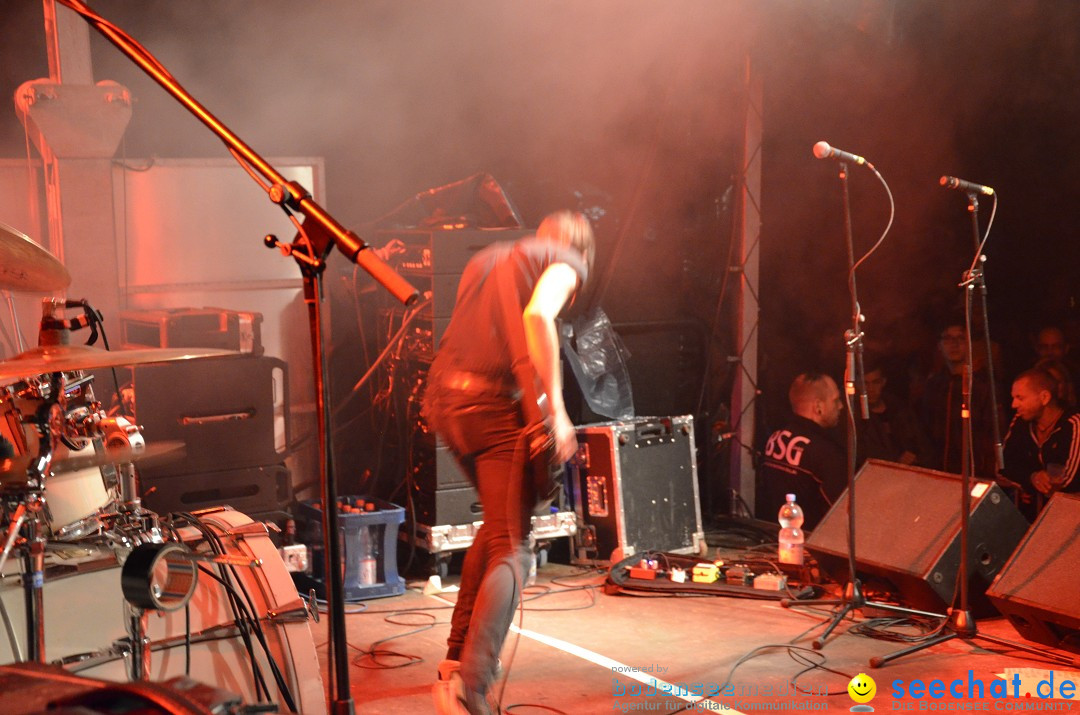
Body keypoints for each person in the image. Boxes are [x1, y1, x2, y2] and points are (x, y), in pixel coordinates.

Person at [421, 210, 594, 715]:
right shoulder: (567, 262)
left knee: (496, 530)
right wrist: (556, 411)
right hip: (493, 407)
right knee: (515, 550)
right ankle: (470, 687)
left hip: (448, 403)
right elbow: (538, 315)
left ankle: (456, 661)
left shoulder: (488, 259)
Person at [758, 372, 846, 530]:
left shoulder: (774, 438)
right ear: (818, 407)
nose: (841, 406)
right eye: (836, 400)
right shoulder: (825, 452)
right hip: (807, 543)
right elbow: (841, 512)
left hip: (773, 535)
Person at [919, 320, 1000, 478]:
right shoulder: (933, 384)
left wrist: (986, 470)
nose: (954, 344)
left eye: (961, 338)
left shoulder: (984, 384)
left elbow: (993, 433)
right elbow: (925, 429)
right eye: (948, 338)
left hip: (975, 474)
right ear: (940, 345)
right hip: (937, 472)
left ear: (970, 344)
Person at [1000, 368, 1080, 520]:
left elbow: (1067, 481)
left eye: (1020, 398)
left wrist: (1029, 483)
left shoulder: (1074, 425)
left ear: (1044, 397)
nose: (1014, 404)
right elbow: (1002, 467)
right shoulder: (1021, 422)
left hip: (1068, 519)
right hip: (1029, 518)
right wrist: (1032, 477)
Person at [855, 355, 935, 468]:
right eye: (865, 384)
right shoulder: (856, 417)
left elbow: (923, 444)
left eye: (875, 382)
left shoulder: (900, 409)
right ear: (858, 385)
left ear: (883, 382)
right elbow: (861, 452)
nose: (870, 389)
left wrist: (916, 458)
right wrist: (895, 460)